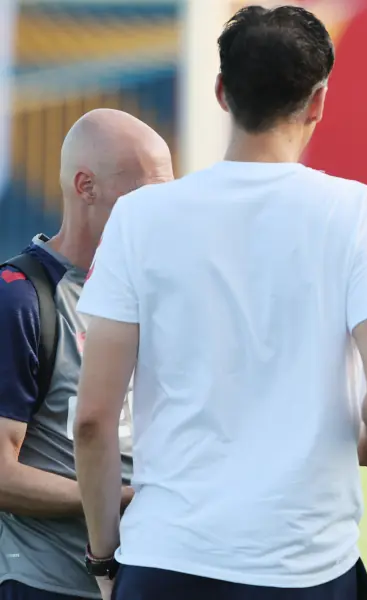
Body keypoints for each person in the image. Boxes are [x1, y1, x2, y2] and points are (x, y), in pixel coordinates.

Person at [71, 5, 367, 600]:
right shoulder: (360, 213)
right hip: (305, 566)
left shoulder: (139, 216)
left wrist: (105, 561)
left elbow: (94, 421)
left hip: (166, 560)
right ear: (317, 102)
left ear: (220, 91)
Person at [0, 108, 173, 600]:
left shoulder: (161, 293)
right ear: (85, 186)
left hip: (151, 575)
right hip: (49, 584)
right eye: (145, 195)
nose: (163, 213)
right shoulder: (20, 298)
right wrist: (114, 500)